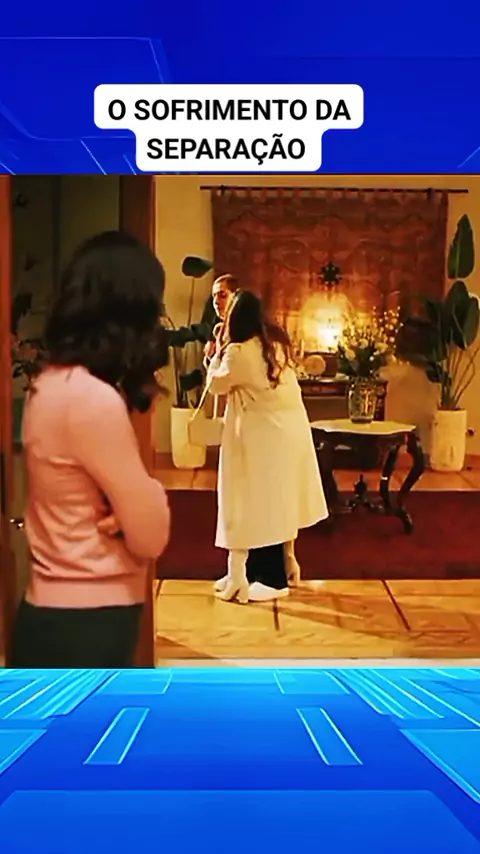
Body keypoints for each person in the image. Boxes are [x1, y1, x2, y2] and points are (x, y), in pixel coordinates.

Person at [10, 231, 171, 669]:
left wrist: (126, 511)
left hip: (57, 610)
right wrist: (148, 497)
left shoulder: (51, 384)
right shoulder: (90, 399)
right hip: (88, 621)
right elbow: (151, 534)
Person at [205, 290, 329, 603]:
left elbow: (215, 384)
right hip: (288, 432)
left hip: (264, 437)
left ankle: (272, 580)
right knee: (274, 499)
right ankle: (260, 571)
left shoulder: (239, 352)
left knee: (258, 502)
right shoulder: (275, 345)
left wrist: (216, 351)